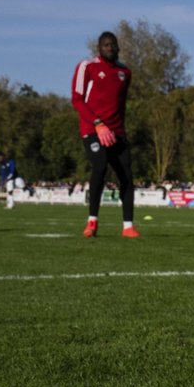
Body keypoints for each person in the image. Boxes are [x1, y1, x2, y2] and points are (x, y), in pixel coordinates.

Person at [72, 31, 138, 238]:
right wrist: (98, 124)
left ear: (118, 47)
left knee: (126, 176)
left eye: (114, 45)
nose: (110, 48)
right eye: (106, 45)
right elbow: (77, 99)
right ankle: (92, 222)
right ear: (99, 48)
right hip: (93, 129)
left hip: (117, 132)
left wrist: (120, 131)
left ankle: (128, 227)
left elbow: (120, 105)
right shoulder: (87, 66)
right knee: (100, 166)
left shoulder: (124, 72)